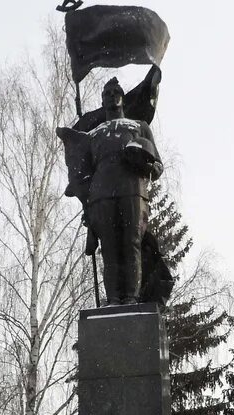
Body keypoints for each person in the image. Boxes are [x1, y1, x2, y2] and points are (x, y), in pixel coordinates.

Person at [60, 78, 164, 305]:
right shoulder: (93, 134)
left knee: (131, 244)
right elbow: (83, 174)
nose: (112, 95)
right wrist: (85, 203)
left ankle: (131, 299)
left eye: (116, 91)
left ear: (123, 97)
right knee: (109, 249)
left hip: (133, 192)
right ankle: (114, 299)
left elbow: (157, 167)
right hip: (102, 195)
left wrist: (144, 164)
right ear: (102, 99)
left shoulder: (139, 126)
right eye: (107, 93)